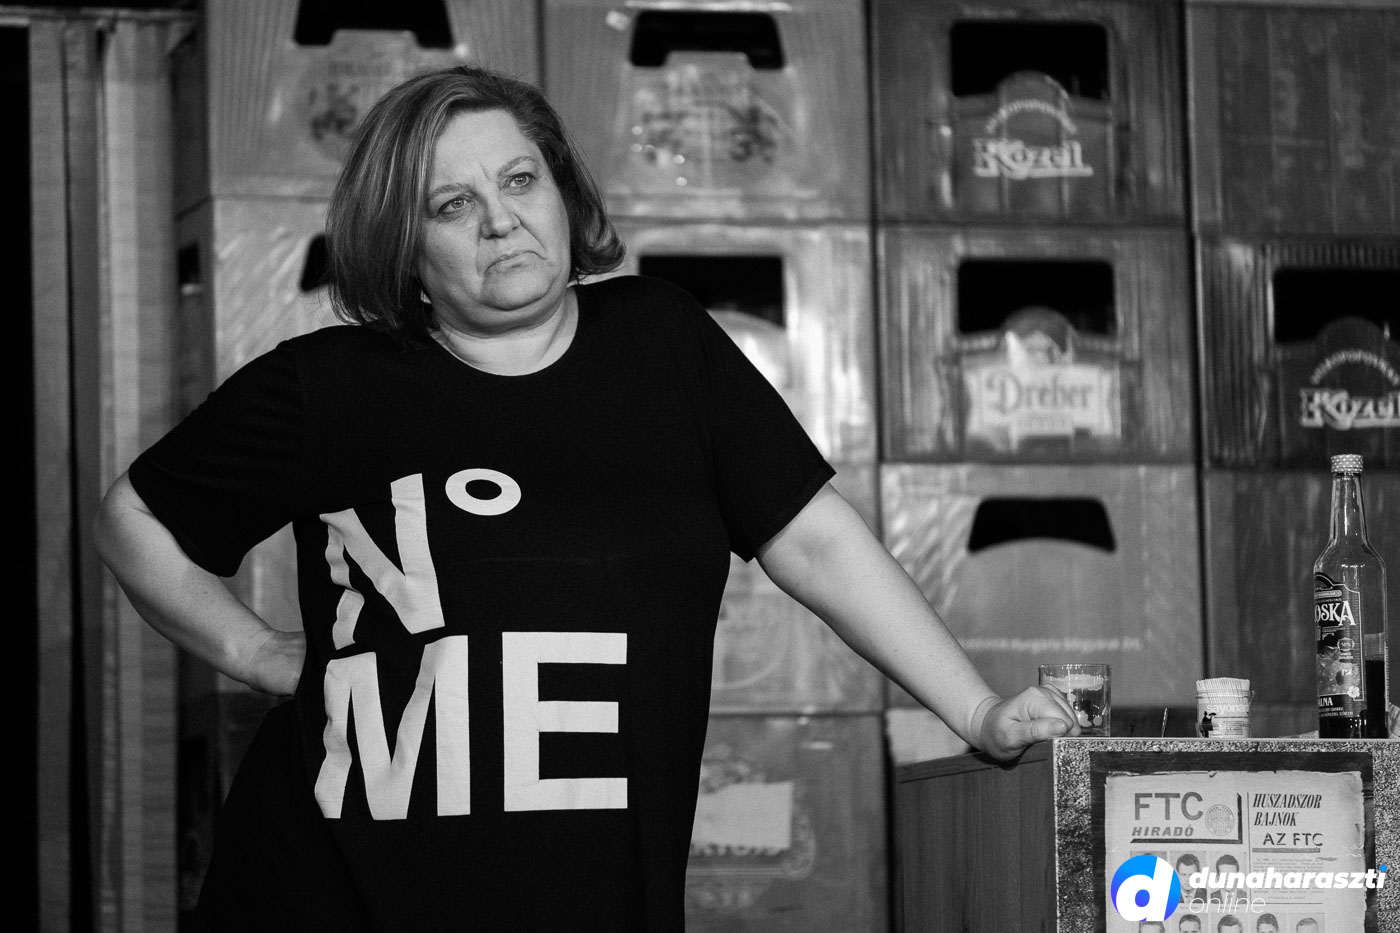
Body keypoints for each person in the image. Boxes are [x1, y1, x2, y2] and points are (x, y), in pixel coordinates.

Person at [94, 65, 1078, 931]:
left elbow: (812, 539)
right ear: (402, 249)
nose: (500, 219)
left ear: (562, 190)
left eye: (520, 180)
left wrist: (977, 709)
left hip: (595, 895)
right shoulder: (330, 386)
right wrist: (251, 650)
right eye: (451, 205)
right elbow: (132, 518)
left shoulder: (662, 342)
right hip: (329, 895)